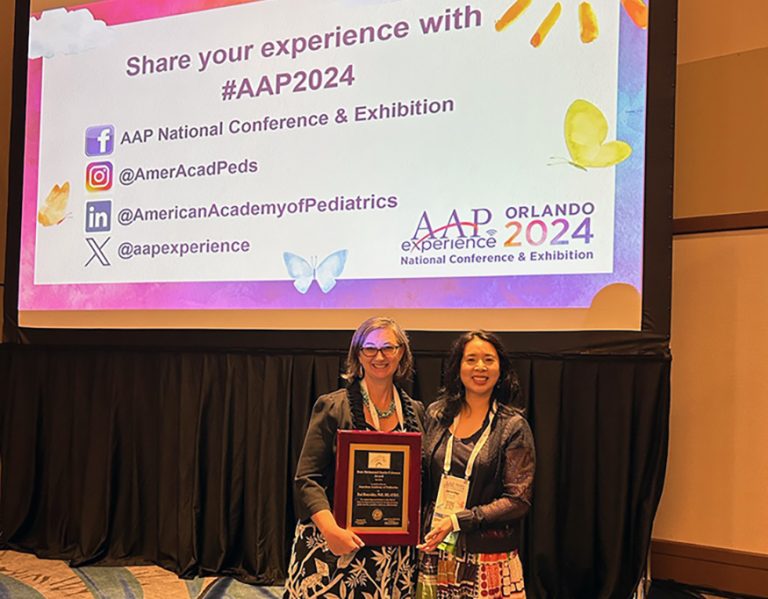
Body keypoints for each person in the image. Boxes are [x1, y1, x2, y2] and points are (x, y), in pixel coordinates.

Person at [284, 316, 425, 599]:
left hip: (391, 556)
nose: (379, 356)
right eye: (369, 348)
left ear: (402, 354)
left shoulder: (417, 413)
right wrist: (331, 531)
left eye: (388, 347)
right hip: (334, 544)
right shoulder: (333, 407)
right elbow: (306, 478)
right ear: (357, 354)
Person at [417, 330, 535, 598]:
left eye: (488, 360)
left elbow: (519, 499)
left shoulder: (513, 427)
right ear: (458, 366)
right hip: (438, 550)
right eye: (471, 359)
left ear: (500, 369)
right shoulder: (437, 415)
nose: (480, 367)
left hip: (488, 559)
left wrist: (460, 520)